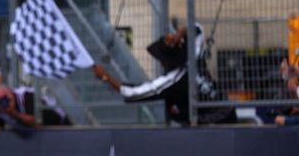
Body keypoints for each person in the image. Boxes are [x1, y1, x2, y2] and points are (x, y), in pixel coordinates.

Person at [92, 21, 237, 125]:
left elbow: (131, 93)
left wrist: (105, 76)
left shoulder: (171, 81)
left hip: (215, 120)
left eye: (162, 59)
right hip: (227, 106)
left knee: (176, 111)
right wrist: (178, 34)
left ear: (168, 61)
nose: (161, 62)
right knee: (176, 110)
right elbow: (197, 28)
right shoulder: (194, 56)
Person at [0, 70, 69, 138]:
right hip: (41, 135)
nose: (6, 102)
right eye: (1, 100)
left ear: (10, 92)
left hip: (61, 123)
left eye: (7, 97)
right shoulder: (0, 107)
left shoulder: (25, 95)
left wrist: (13, 112)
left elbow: (34, 121)